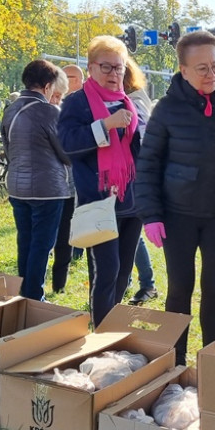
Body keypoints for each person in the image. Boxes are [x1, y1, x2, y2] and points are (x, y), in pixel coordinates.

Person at [135, 30, 215, 364]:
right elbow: (148, 163)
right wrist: (151, 215)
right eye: (202, 68)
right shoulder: (168, 109)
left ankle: (211, 359)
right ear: (183, 70)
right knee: (179, 289)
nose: (211, 74)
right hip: (178, 215)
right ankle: (176, 360)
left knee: (214, 290)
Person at [58, 37, 145, 325]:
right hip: (99, 200)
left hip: (131, 200)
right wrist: (105, 125)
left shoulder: (127, 101)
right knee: (106, 270)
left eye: (119, 68)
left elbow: (136, 150)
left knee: (123, 271)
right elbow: (67, 145)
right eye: (106, 67)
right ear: (91, 68)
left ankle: (112, 322)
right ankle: (101, 330)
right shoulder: (77, 102)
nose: (114, 74)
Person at [2, 60, 73, 300]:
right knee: (42, 246)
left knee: (26, 241)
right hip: (47, 189)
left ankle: (25, 291)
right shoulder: (48, 111)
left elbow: (8, 147)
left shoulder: (10, 109)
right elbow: (66, 152)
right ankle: (34, 296)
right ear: (46, 86)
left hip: (17, 186)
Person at [123, 57, 159, 306]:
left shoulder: (135, 101)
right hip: (122, 177)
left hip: (135, 177)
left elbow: (144, 140)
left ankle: (147, 284)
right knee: (126, 233)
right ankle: (131, 281)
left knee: (132, 233)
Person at [50, 65, 87, 294]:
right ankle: (53, 282)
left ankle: (59, 282)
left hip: (71, 184)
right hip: (54, 184)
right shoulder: (50, 112)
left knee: (67, 231)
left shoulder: (82, 107)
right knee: (56, 234)